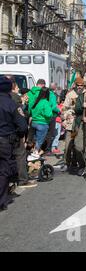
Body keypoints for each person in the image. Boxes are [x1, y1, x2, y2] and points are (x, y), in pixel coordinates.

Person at [0, 77, 28, 211]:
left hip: (5, 139)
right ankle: (1, 201)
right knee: (4, 170)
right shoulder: (12, 104)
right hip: (5, 140)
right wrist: (18, 136)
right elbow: (22, 126)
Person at [62, 77, 84, 170]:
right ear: (75, 85)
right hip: (71, 123)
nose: (79, 87)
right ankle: (66, 162)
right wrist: (64, 118)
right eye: (78, 85)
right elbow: (64, 108)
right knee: (68, 145)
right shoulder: (70, 94)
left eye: (81, 85)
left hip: (81, 123)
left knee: (78, 145)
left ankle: (76, 163)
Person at [28, 87, 54, 160]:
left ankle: (33, 153)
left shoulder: (36, 100)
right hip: (42, 123)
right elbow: (48, 114)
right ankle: (35, 155)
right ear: (47, 94)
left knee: (35, 140)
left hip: (34, 123)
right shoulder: (45, 102)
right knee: (39, 141)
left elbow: (30, 109)